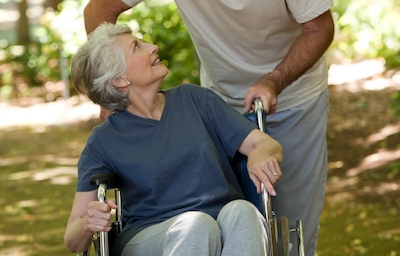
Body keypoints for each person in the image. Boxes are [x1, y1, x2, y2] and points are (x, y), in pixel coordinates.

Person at [82, 0, 335, 256]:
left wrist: (274, 79)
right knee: (209, 216)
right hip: (216, 102)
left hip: (292, 98)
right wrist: (111, 88)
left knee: (286, 223)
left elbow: (320, 28)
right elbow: (99, 8)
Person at [64, 22, 283, 256]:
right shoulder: (103, 141)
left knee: (244, 212)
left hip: (224, 221)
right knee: (197, 226)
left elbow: (268, 145)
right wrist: (89, 222)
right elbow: (73, 242)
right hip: (151, 236)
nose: (153, 47)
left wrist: (260, 153)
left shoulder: (196, 100)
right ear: (119, 80)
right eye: (137, 47)